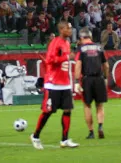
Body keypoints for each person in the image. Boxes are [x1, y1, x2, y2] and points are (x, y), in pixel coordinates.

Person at [31, 21, 79, 150]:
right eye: (68, 28)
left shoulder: (67, 43)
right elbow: (49, 60)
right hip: (53, 83)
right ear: (62, 29)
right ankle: (35, 136)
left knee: (68, 110)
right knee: (48, 111)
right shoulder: (56, 43)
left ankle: (65, 139)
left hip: (65, 83)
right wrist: (65, 57)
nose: (70, 30)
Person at [74, 28, 109, 140]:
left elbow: (78, 65)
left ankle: (91, 132)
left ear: (81, 38)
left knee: (87, 105)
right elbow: (106, 65)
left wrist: (76, 81)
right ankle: (100, 126)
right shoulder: (99, 47)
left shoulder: (81, 49)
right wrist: (105, 77)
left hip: (87, 79)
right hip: (99, 78)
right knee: (99, 105)